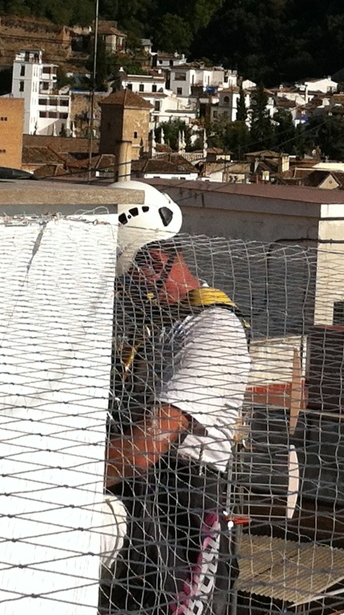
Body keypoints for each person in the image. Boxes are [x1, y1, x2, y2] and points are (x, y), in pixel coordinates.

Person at [103, 184, 251, 615]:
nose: (120, 293)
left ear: (151, 262)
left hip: (184, 515)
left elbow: (149, 444)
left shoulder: (213, 332)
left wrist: (60, 487)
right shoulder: (158, 328)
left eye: (123, 279)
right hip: (144, 504)